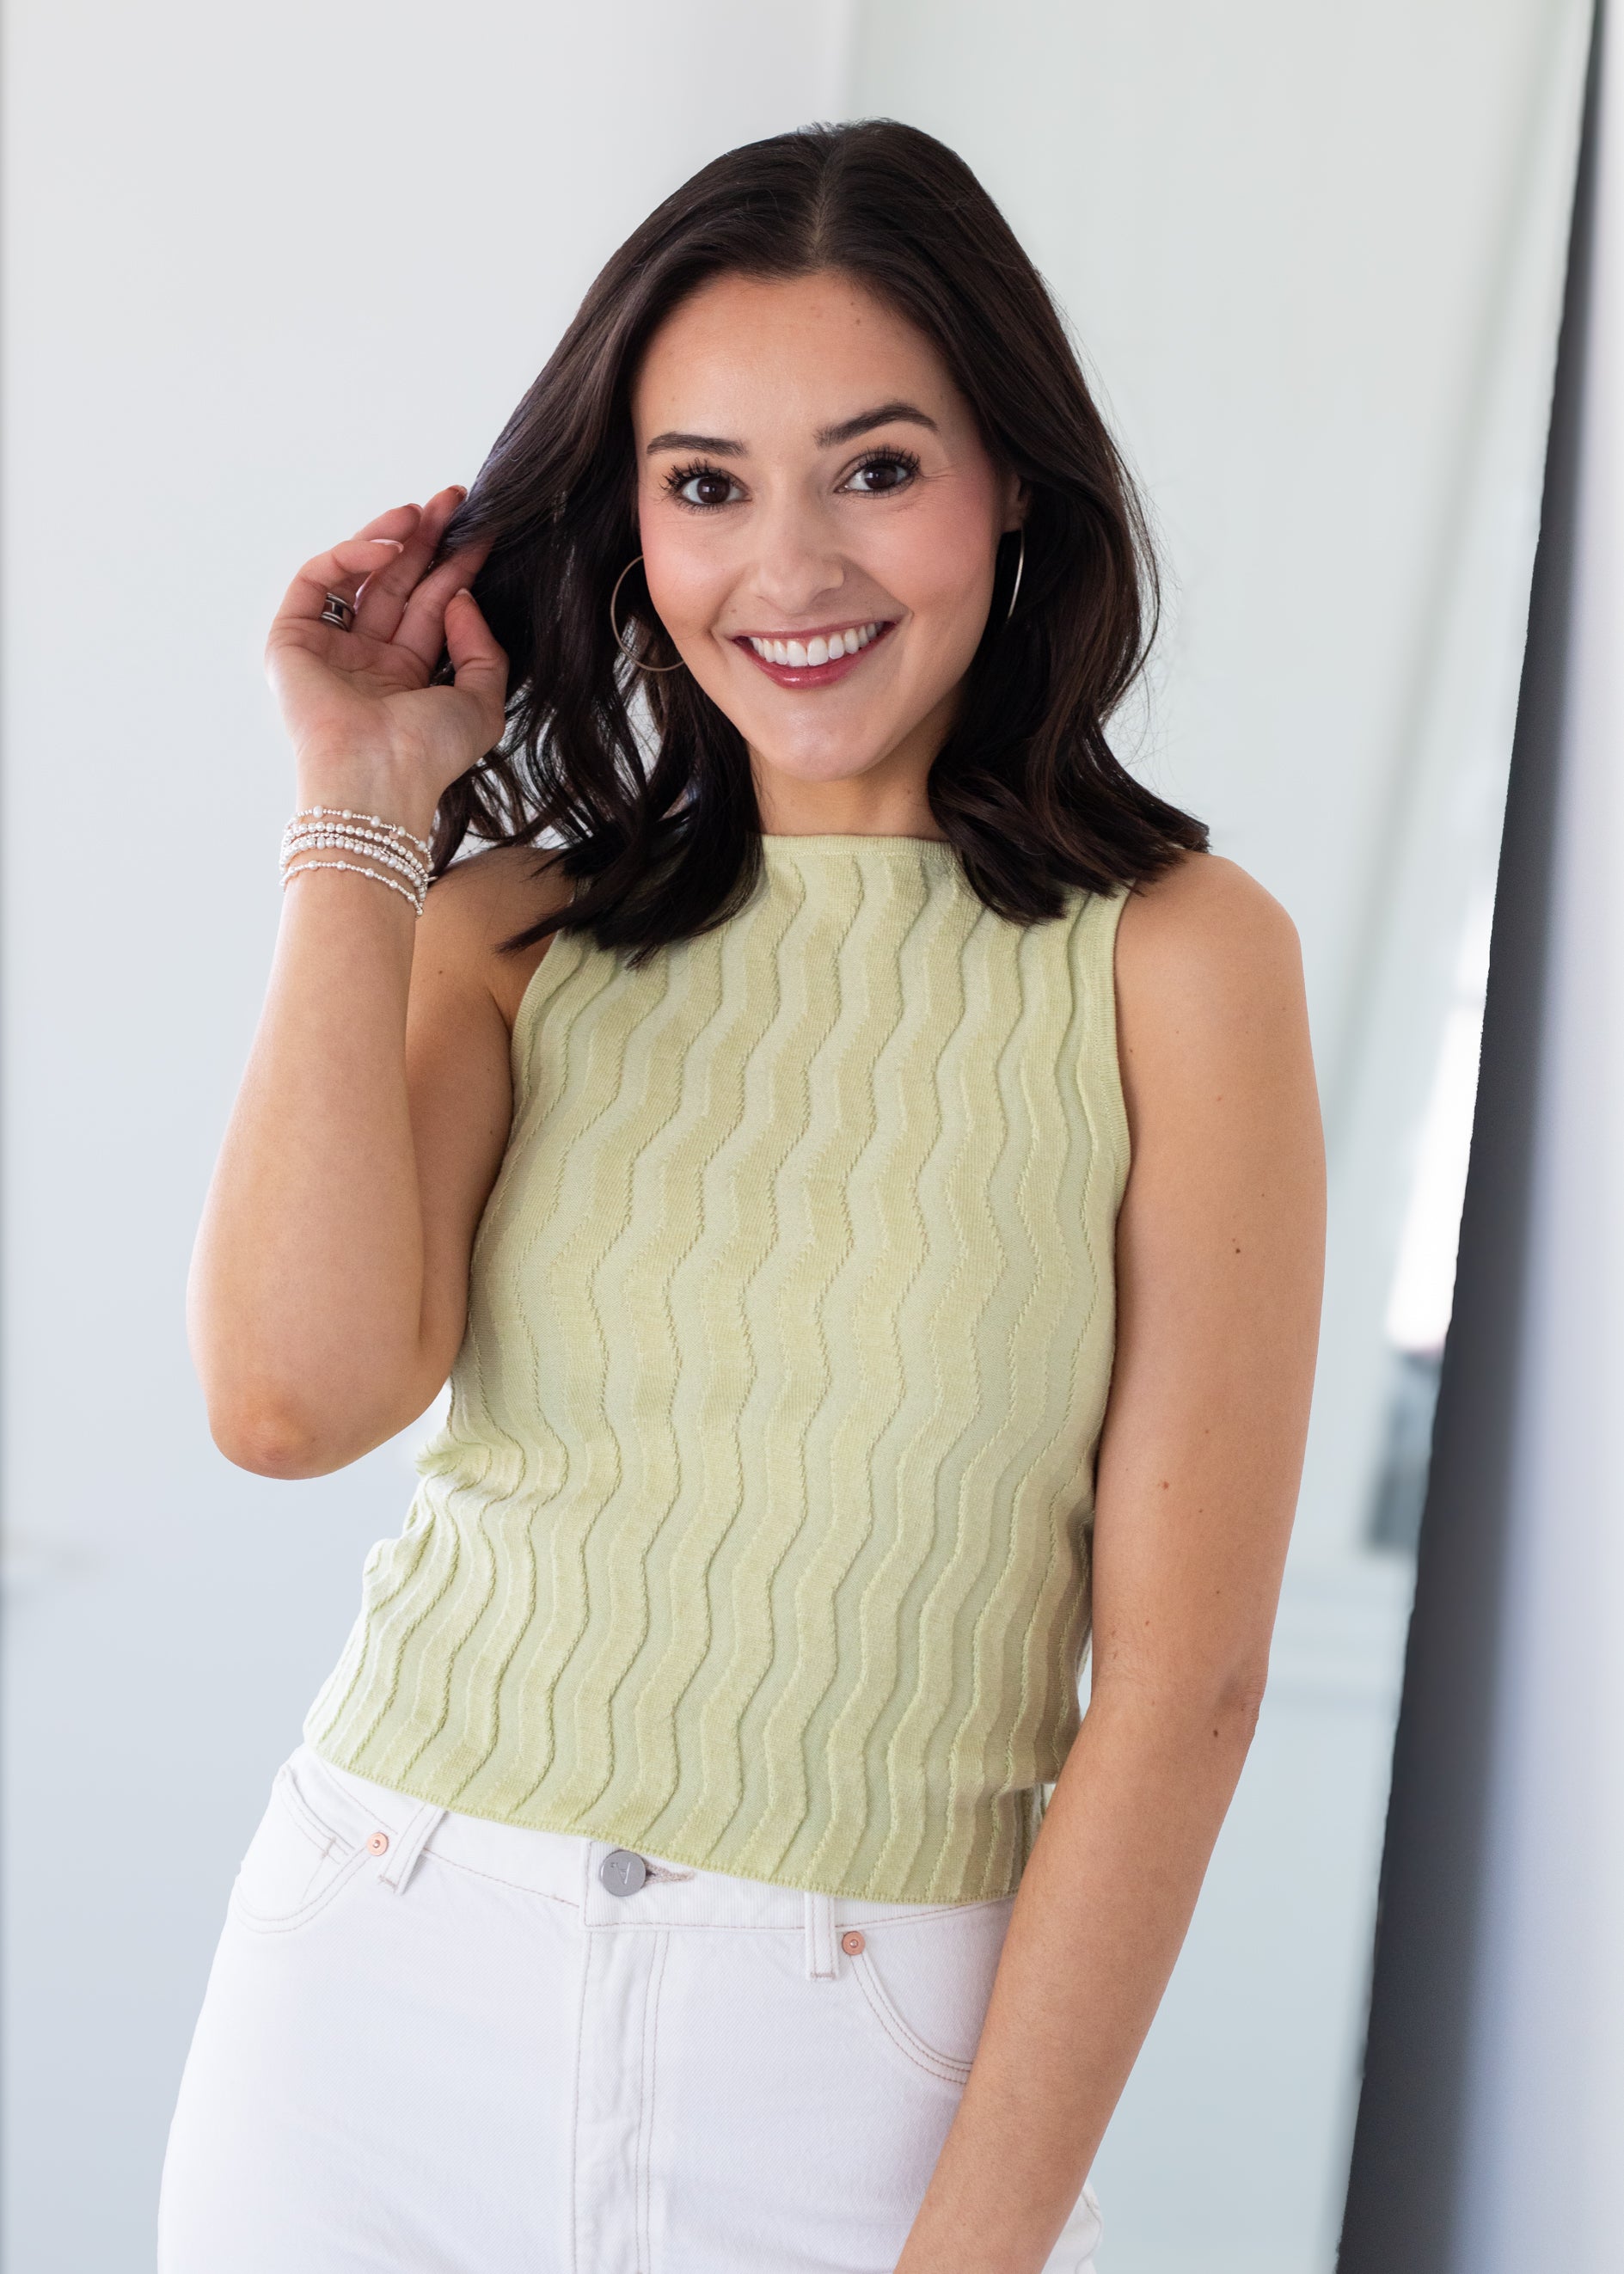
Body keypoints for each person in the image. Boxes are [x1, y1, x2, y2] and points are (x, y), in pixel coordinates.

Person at [157, 118, 1324, 2274]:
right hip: (374, 1973)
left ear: (1016, 496)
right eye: (705, 485)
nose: (787, 568)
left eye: (874, 467)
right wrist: (360, 816)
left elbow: (1185, 1688)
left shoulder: (1178, 959)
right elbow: (291, 1403)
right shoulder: (512, 932)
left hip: (854, 2046)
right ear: (633, 526)